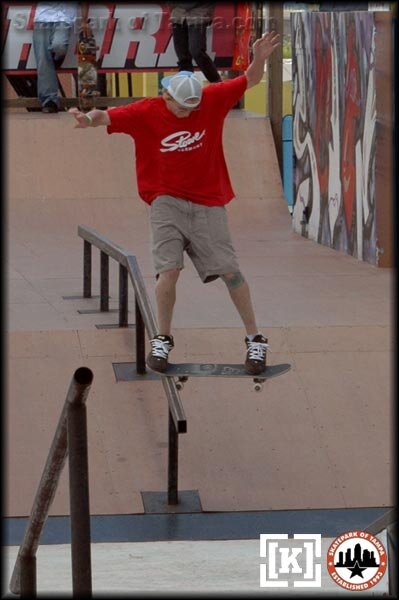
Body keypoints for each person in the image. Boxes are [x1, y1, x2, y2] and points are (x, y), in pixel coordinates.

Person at [69, 30, 280, 375]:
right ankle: (162, 339)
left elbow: (250, 79)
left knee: (231, 271)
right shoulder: (146, 111)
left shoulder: (211, 99)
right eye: (182, 109)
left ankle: (255, 339)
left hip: (209, 201)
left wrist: (259, 57)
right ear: (166, 97)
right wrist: (87, 119)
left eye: (192, 108)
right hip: (165, 201)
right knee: (168, 272)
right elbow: (106, 117)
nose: (187, 114)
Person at [33, 2, 90, 112]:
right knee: (43, 59)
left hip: (64, 18)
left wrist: (84, 20)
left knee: (59, 46)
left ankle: (56, 59)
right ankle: (49, 101)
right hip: (42, 17)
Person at [168, 3, 221, 83]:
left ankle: (216, 82)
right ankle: (186, 86)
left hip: (200, 12)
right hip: (178, 14)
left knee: (196, 51)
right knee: (182, 56)